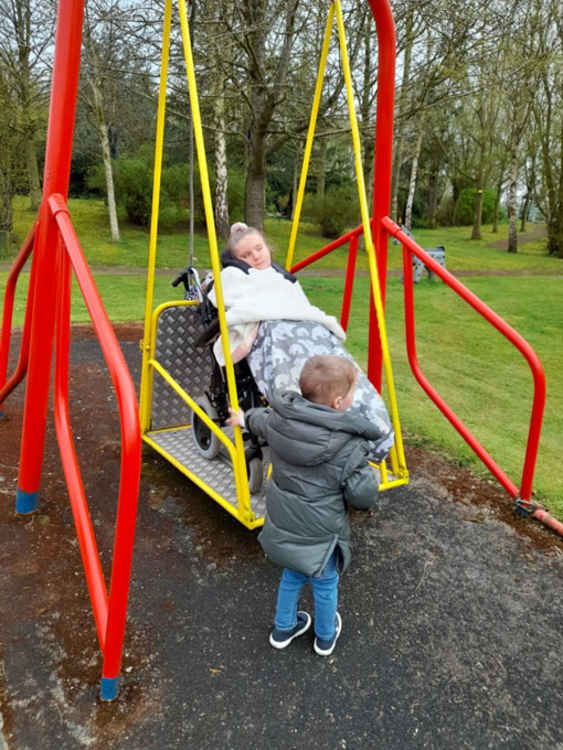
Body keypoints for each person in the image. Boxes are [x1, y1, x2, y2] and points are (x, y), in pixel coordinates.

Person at [227, 354, 381, 656]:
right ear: (338, 403)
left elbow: (260, 421)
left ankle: (283, 628)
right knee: (325, 584)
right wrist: (366, 476)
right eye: (351, 393)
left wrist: (243, 418)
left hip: (286, 523)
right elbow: (363, 497)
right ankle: (325, 637)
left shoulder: (281, 421)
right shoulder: (348, 446)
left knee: (291, 575)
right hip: (322, 534)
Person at [210, 222, 395, 462]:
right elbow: (224, 295)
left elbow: (301, 306)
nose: (255, 256)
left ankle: (369, 422)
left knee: (336, 367)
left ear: (267, 247)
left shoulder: (282, 277)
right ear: (236, 261)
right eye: (246, 255)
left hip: (308, 329)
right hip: (274, 331)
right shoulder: (234, 276)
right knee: (302, 378)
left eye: (259, 248)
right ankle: (322, 425)